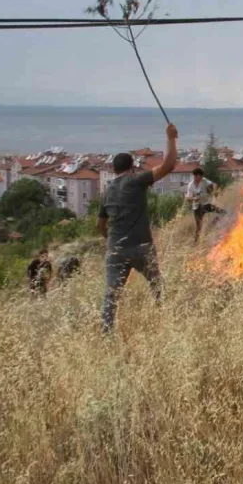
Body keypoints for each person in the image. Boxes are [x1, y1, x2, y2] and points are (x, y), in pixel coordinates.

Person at [97, 123, 179, 333]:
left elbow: (100, 225)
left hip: (115, 249)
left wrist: (112, 241)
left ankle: (106, 335)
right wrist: (171, 138)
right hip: (141, 246)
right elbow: (168, 165)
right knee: (157, 286)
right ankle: (167, 324)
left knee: (111, 296)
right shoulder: (135, 181)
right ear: (132, 167)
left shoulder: (107, 192)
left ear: (114, 170)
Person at [185, 167, 225, 242]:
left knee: (222, 212)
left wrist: (215, 191)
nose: (200, 179)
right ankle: (196, 243)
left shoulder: (204, 181)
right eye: (198, 177)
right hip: (197, 207)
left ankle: (214, 222)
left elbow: (214, 184)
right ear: (195, 176)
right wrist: (194, 199)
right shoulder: (190, 185)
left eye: (201, 177)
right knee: (199, 227)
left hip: (206, 204)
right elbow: (187, 198)